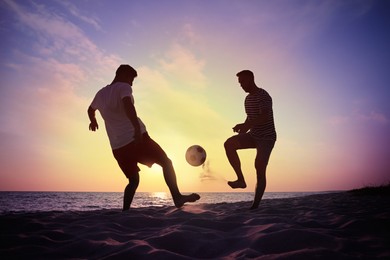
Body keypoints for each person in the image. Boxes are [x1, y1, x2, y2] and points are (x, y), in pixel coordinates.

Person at [88, 64, 200, 211]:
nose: (132, 83)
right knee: (166, 163)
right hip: (136, 139)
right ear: (124, 75)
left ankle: (125, 211)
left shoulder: (100, 94)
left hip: (118, 148)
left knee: (133, 181)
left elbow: (90, 109)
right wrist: (135, 129)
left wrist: (93, 120)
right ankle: (177, 197)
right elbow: (128, 105)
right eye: (132, 79)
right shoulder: (123, 87)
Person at [224, 70, 276, 210]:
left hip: (267, 137)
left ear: (251, 79)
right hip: (253, 135)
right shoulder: (247, 99)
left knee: (259, 166)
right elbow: (250, 118)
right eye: (239, 83)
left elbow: (264, 116)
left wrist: (247, 125)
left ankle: (255, 205)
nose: (241, 85)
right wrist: (243, 127)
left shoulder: (263, 96)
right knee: (229, 144)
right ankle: (240, 180)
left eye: (243, 82)